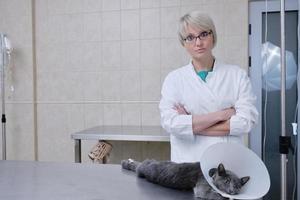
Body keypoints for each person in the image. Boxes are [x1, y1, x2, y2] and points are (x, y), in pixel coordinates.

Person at [159, 11, 258, 163]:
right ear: (183, 43)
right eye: (190, 38)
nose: (198, 43)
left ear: (213, 36)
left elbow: (245, 123)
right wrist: (221, 115)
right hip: (187, 164)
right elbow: (171, 123)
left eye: (203, 34)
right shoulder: (174, 80)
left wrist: (189, 122)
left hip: (226, 164)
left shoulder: (237, 75)